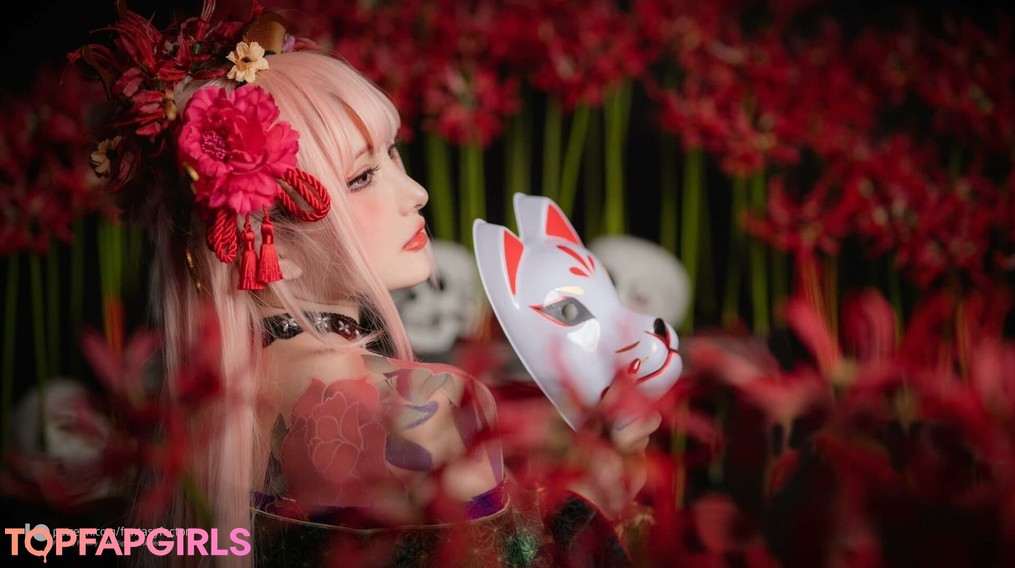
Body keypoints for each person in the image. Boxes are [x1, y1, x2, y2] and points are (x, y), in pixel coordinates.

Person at [76, 1, 661, 566]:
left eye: (393, 154)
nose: (416, 193)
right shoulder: (425, 403)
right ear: (266, 242)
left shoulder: (200, 415)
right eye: (361, 177)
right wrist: (595, 490)